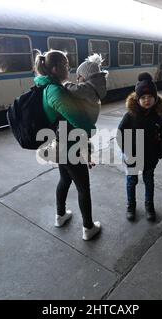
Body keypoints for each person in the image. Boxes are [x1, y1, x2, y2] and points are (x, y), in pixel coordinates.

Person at [33, 49, 101, 241]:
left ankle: (60, 215)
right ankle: (88, 228)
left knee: (65, 180)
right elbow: (77, 119)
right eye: (65, 65)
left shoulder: (49, 87)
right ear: (54, 69)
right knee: (83, 188)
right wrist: (90, 131)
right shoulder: (55, 91)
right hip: (70, 147)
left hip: (62, 144)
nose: (68, 68)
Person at [117, 72, 162, 221]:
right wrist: (126, 151)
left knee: (149, 181)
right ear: (137, 99)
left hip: (150, 156)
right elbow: (120, 133)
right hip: (133, 155)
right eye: (143, 98)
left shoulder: (160, 115)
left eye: (150, 97)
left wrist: (160, 152)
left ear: (155, 98)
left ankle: (149, 206)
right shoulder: (130, 115)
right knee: (131, 181)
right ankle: (131, 206)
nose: (147, 100)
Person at [64, 53, 108, 125]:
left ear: (86, 76)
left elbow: (75, 89)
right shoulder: (95, 87)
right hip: (91, 118)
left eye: (79, 76)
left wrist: (66, 84)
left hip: (87, 119)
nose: (77, 79)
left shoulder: (87, 89)